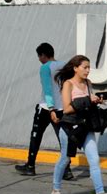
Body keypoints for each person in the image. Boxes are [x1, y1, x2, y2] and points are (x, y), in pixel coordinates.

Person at [52, 55, 107, 194]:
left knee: (94, 159)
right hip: (70, 127)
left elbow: (87, 103)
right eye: (85, 67)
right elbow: (67, 108)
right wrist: (87, 99)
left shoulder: (88, 83)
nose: (88, 70)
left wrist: (96, 101)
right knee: (65, 159)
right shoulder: (68, 84)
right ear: (75, 68)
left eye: (89, 67)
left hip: (86, 126)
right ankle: (55, 190)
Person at [15, 43, 73, 180]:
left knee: (36, 136)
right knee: (63, 139)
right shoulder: (65, 65)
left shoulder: (45, 68)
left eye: (39, 56)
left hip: (47, 109)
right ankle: (67, 170)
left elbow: (47, 89)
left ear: (43, 55)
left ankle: (30, 166)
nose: (39, 59)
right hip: (62, 109)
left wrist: (51, 108)